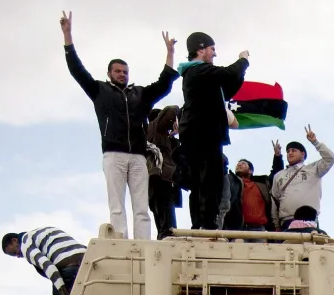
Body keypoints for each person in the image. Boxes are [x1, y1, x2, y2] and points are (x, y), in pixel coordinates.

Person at [61, 13, 176, 240]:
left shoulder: (140, 94)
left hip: (138, 156)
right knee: (117, 206)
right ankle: (120, 242)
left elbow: (164, 84)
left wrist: (170, 54)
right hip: (113, 154)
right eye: (117, 71)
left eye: (125, 72)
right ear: (109, 73)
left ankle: (143, 243)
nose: (122, 75)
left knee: (141, 207)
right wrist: (67, 36)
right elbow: (77, 70)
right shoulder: (99, 90)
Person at [178, 31, 250, 230]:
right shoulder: (197, 71)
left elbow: (228, 87)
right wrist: (243, 60)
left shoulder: (201, 75)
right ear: (201, 49)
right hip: (203, 134)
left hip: (203, 134)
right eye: (212, 49)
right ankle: (205, 225)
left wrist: (240, 72)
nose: (215, 54)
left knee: (207, 182)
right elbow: (228, 73)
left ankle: (203, 224)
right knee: (208, 181)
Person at [2, 227, 86, 295]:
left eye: (14, 253)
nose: (18, 256)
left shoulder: (26, 245)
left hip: (68, 264)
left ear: (14, 240)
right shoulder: (37, 234)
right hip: (86, 260)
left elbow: (48, 266)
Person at [270, 129, 334, 230]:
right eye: (288, 151)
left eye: (293, 150)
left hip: (309, 220)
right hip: (286, 222)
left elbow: (330, 159)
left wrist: (315, 142)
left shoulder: (314, 169)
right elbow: (274, 201)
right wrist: (276, 225)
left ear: (303, 154)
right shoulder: (278, 175)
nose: (290, 153)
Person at [223, 145, 283, 231]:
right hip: (237, 229)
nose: (239, 165)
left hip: (259, 228)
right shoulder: (230, 182)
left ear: (250, 171)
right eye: (238, 164)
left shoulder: (262, 183)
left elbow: (276, 175)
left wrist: (277, 156)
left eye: (243, 163)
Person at [146, 105, 182, 239]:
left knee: (161, 216)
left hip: (155, 177)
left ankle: (165, 237)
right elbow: (171, 110)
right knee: (167, 221)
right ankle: (168, 237)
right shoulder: (156, 127)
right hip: (162, 177)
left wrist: (171, 136)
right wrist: (181, 112)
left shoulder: (158, 135)